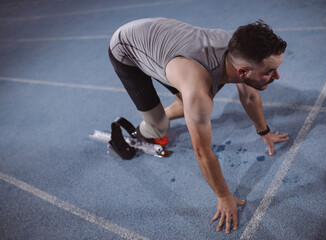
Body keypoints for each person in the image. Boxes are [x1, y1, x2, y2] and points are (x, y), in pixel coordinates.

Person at [108, 17, 289, 234]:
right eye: (269, 72)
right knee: (160, 127)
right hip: (127, 48)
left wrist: (265, 132)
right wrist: (223, 196)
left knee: (192, 104)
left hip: (167, 47)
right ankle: (149, 126)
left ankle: (175, 111)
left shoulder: (240, 49)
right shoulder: (198, 89)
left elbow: (249, 98)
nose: (277, 76)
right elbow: (202, 152)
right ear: (242, 72)